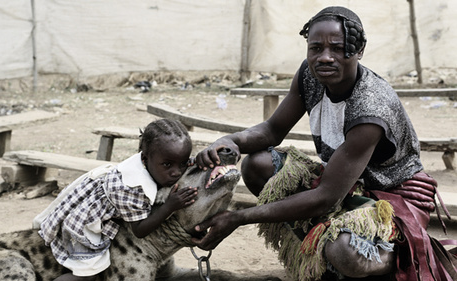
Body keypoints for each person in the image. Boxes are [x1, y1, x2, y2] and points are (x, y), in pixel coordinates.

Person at [192, 6, 454, 281]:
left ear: (359, 49)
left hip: (390, 197)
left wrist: (239, 217)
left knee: (345, 251)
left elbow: (326, 197)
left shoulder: (371, 108)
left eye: (338, 48)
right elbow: (272, 129)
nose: (325, 57)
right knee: (257, 165)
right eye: (315, 48)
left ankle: (393, 256)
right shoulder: (310, 74)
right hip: (343, 182)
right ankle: (321, 254)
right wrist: (229, 140)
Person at [36, 118, 198, 281]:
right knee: (87, 275)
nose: (177, 173)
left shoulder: (155, 159)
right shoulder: (132, 187)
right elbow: (140, 230)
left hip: (99, 213)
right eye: (168, 165)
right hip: (83, 227)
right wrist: (170, 206)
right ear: (145, 158)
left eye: (183, 164)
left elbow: (181, 163)